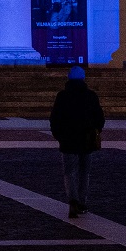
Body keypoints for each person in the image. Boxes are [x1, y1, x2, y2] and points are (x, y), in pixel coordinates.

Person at [49, 65, 105, 218]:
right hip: (87, 140)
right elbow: (99, 118)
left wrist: (58, 135)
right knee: (84, 172)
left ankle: (72, 200)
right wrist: (96, 131)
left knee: (69, 173)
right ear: (83, 78)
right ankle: (82, 201)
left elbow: (55, 118)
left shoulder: (62, 96)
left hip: (68, 140)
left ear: (68, 78)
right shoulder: (91, 96)